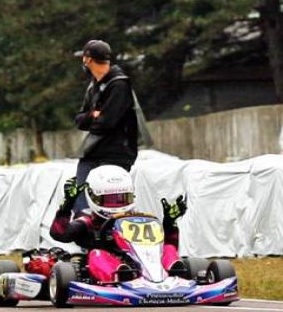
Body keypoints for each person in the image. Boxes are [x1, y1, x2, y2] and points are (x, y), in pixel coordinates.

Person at [49, 166, 186, 282]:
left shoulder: (139, 221)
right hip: (104, 269)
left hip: (144, 263)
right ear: (93, 197)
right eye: (109, 200)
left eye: (122, 199)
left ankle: (176, 273)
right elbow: (60, 234)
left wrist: (169, 222)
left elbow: (166, 244)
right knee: (97, 254)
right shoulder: (87, 222)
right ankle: (120, 276)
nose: (116, 205)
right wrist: (66, 207)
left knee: (168, 248)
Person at [71, 39, 139, 213]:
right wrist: (93, 115)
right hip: (94, 151)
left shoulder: (119, 85)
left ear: (88, 60)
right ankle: (86, 233)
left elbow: (107, 123)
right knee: (81, 200)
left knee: (111, 206)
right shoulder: (93, 86)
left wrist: (95, 117)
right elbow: (79, 120)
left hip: (116, 154)